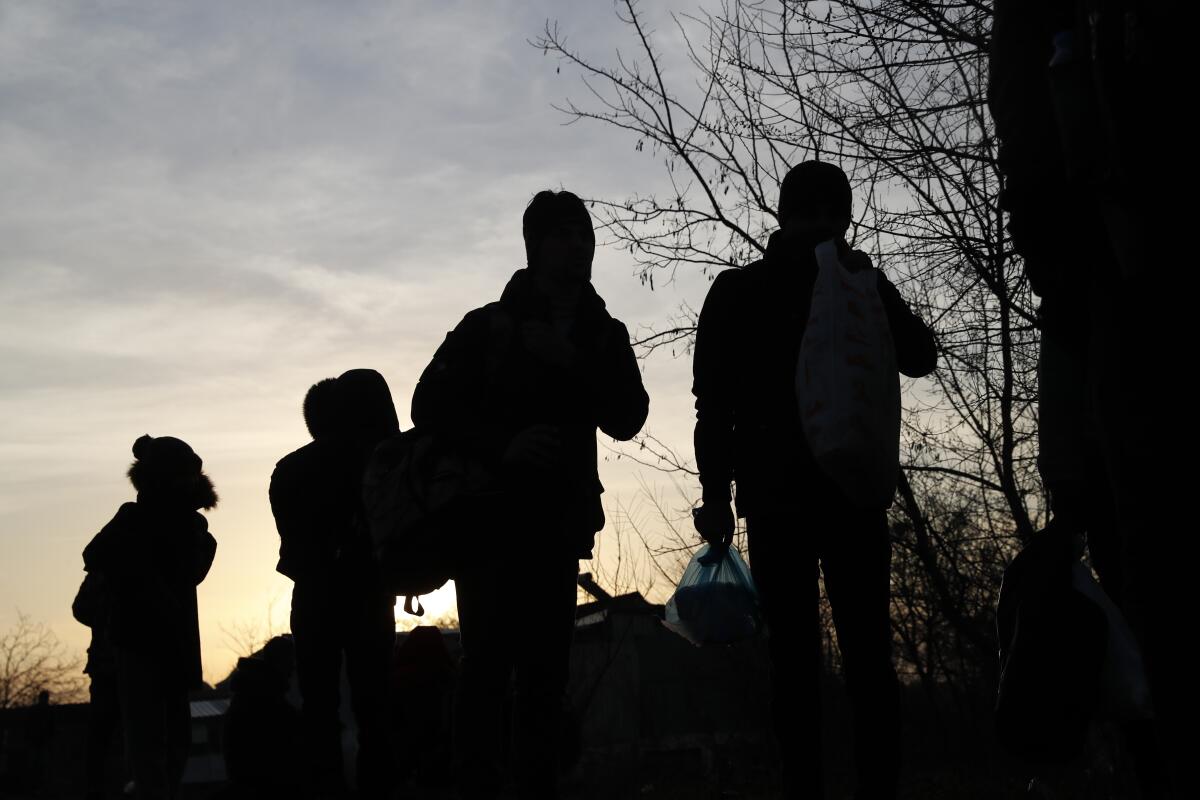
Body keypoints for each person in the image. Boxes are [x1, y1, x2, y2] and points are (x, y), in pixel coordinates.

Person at [691, 161, 936, 799]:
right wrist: (865, 282)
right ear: (845, 216)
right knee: (869, 662)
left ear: (780, 212)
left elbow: (712, 405)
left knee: (793, 668)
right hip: (855, 494)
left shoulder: (738, 291)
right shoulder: (860, 284)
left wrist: (716, 495)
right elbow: (922, 356)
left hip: (775, 503)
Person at [411, 189, 649, 799]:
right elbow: (427, 406)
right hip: (487, 525)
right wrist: (502, 446)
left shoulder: (603, 333)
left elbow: (628, 416)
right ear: (535, 245)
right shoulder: (486, 326)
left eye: (585, 234)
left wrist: (569, 359)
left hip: (555, 530)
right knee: (486, 671)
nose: (579, 245)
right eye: (564, 234)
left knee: (545, 681)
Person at [269, 370, 400, 799]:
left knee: (319, 708)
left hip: (312, 598)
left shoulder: (288, 469)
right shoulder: (376, 459)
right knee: (374, 706)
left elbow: (291, 541)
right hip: (368, 594)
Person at [82, 435, 219, 800]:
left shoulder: (187, 527)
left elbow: (191, 569)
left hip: (162, 641)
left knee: (172, 738)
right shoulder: (136, 520)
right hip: (139, 641)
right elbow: (95, 556)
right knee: (149, 739)